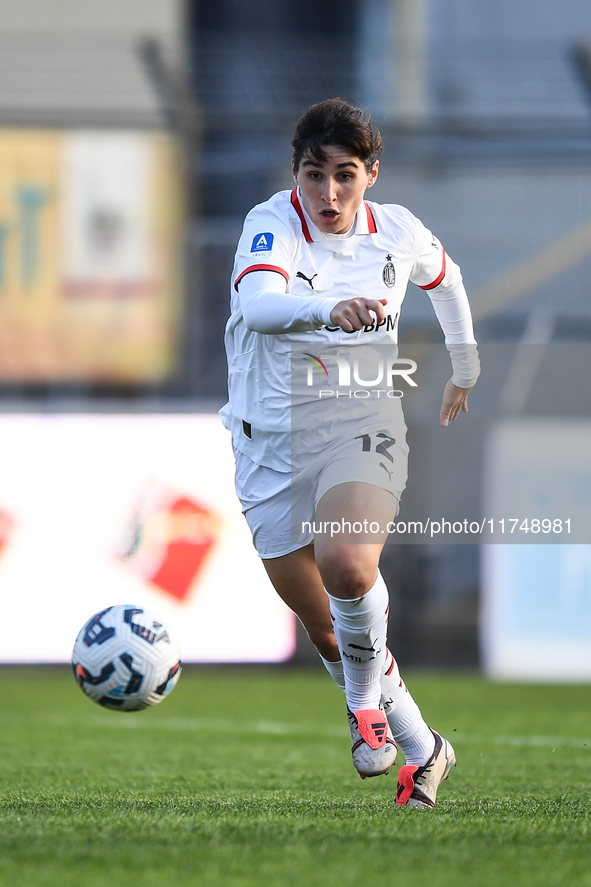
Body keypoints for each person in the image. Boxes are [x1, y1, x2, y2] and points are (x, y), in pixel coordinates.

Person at [220, 98, 480, 808]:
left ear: (372, 173)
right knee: (328, 633)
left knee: (346, 561)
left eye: (344, 175)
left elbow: (445, 278)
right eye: (313, 174)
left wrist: (463, 361)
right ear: (295, 172)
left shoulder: (397, 232)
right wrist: (323, 309)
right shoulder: (271, 224)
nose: (327, 193)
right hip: (266, 446)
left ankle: (364, 709)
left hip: (359, 423)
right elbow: (259, 307)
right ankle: (426, 749)